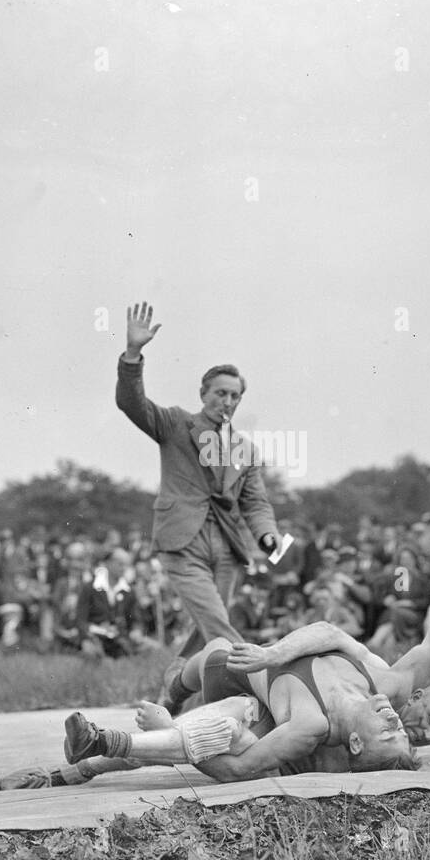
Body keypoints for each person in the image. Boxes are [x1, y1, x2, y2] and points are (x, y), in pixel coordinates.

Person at [0, 562, 430, 790]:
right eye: (426, 719)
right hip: (242, 666)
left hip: (253, 703)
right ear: (415, 697)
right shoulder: (387, 685)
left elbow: (235, 769)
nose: (419, 730)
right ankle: (173, 686)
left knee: (223, 724)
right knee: (219, 651)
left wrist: (172, 732)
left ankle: (81, 763)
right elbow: (427, 640)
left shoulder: (321, 731)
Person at [115, 301, 280, 712]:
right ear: (203, 394)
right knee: (218, 625)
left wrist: (267, 533)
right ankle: (266, 689)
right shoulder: (173, 424)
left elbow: (255, 500)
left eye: (235, 396)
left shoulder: (245, 449)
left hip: (226, 547)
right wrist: (133, 355)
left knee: (205, 627)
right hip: (181, 541)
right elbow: (133, 404)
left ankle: (170, 696)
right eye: (220, 393)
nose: (227, 401)